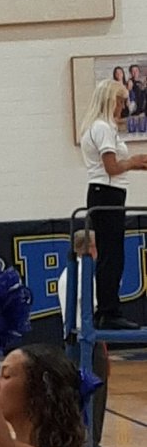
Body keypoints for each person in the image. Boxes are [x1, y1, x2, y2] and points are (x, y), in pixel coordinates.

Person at [79, 77, 147, 328]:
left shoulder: (97, 127)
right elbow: (111, 166)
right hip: (106, 193)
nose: (123, 106)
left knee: (111, 253)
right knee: (111, 255)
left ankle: (108, 310)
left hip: (107, 192)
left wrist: (135, 165)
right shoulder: (103, 127)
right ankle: (109, 311)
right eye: (121, 100)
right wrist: (134, 161)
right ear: (111, 101)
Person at [57, 230, 119, 447]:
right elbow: (91, 309)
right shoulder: (87, 273)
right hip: (87, 340)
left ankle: (78, 442)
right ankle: (92, 445)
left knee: (77, 394)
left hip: (71, 339)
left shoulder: (67, 273)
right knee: (95, 391)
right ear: (90, 248)